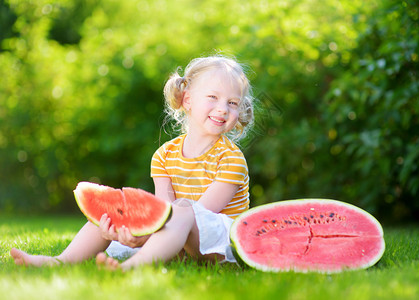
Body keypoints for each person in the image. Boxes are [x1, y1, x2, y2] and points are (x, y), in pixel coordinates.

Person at [10, 55, 255, 271]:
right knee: (112, 210)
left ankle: (130, 267)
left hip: (221, 246)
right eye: (213, 97)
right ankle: (61, 260)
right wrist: (134, 230)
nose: (223, 109)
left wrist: (147, 235)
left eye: (232, 103)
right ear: (188, 100)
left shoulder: (231, 159)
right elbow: (163, 209)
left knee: (184, 212)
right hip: (177, 236)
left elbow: (201, 215)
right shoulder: (164, 155)